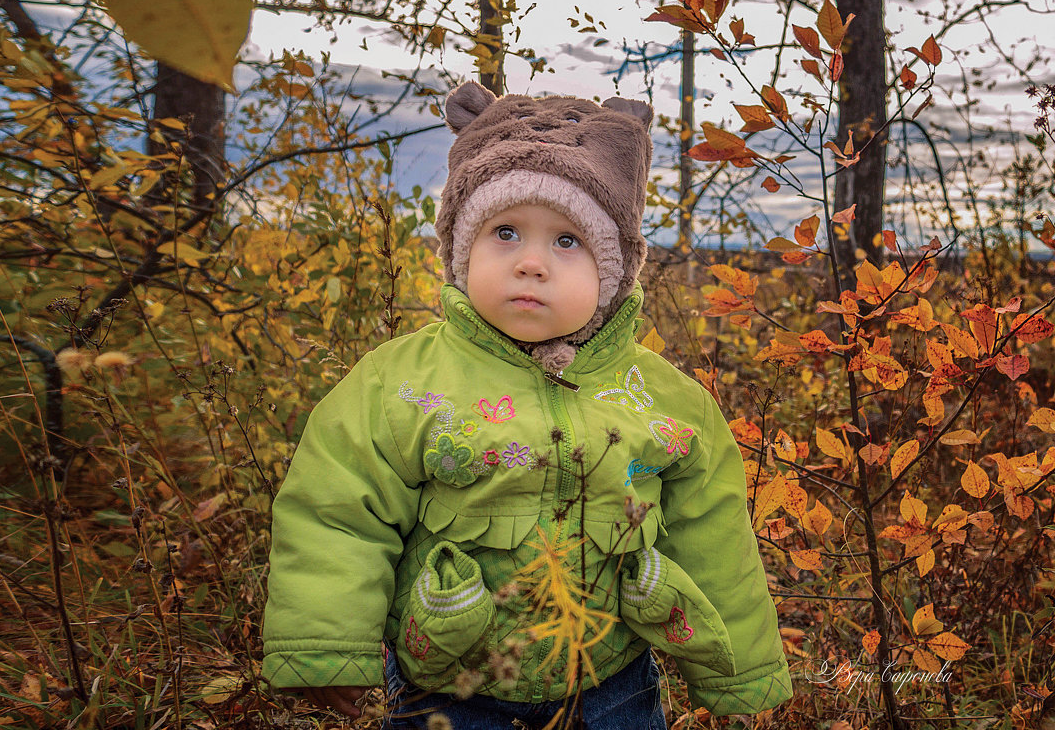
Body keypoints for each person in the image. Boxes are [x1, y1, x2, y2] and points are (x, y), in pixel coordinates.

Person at [261, 81, 792, 729]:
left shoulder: (661, 399)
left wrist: (740, 675)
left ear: (613, 269)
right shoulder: (399, 385)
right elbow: (338, 511)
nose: (531, 263)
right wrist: (326, 646)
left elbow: (714, 536)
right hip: (451, 691)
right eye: (505, 232)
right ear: (462, 250)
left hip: (613, 686)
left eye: (567, 241)